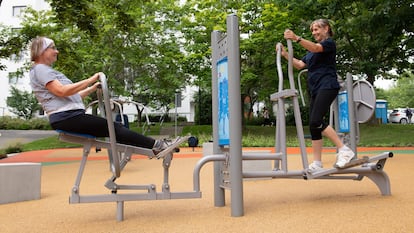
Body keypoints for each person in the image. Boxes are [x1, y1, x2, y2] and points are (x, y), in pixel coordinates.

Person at [29, 36, 172, 159]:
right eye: (52, 48)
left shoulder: (45, 70)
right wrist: (91, 79)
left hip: (68, 116)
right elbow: (61, 91)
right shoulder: (41, 69)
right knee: (114, 128)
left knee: (114, 129)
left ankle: (152, 147)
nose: (56, 51)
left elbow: (73, 96)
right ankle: (156, 146)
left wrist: (91, 89)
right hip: (66, 117)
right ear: (42, 51)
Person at [276, 19, 355, 170]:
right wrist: (285, 53)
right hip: (315, 88)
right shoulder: (310, 54)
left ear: (326, 29)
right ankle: (317, 162)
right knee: (313, 126)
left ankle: (344, 150)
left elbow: (317, 48)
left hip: (328, 85)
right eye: (312, 30)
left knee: (316, 120)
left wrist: (296, 38)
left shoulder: (329, 44)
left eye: (317, 29)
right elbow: (299, 65)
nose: (314, 33)